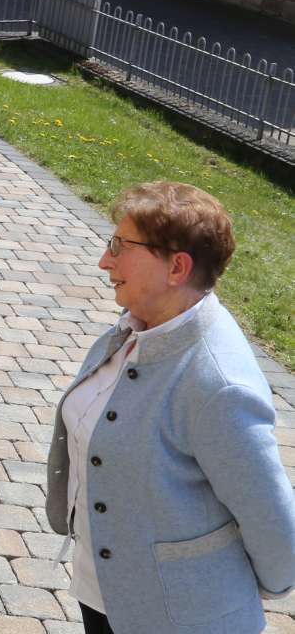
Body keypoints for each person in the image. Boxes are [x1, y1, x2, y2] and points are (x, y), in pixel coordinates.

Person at [46, 181, 295, 634]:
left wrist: (217, 588)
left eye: (120, 247)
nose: (105, 261)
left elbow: (274, 523)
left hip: (181, 618)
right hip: (106, 592)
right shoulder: (137, 329)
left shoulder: (218, 385)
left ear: (177, 267)